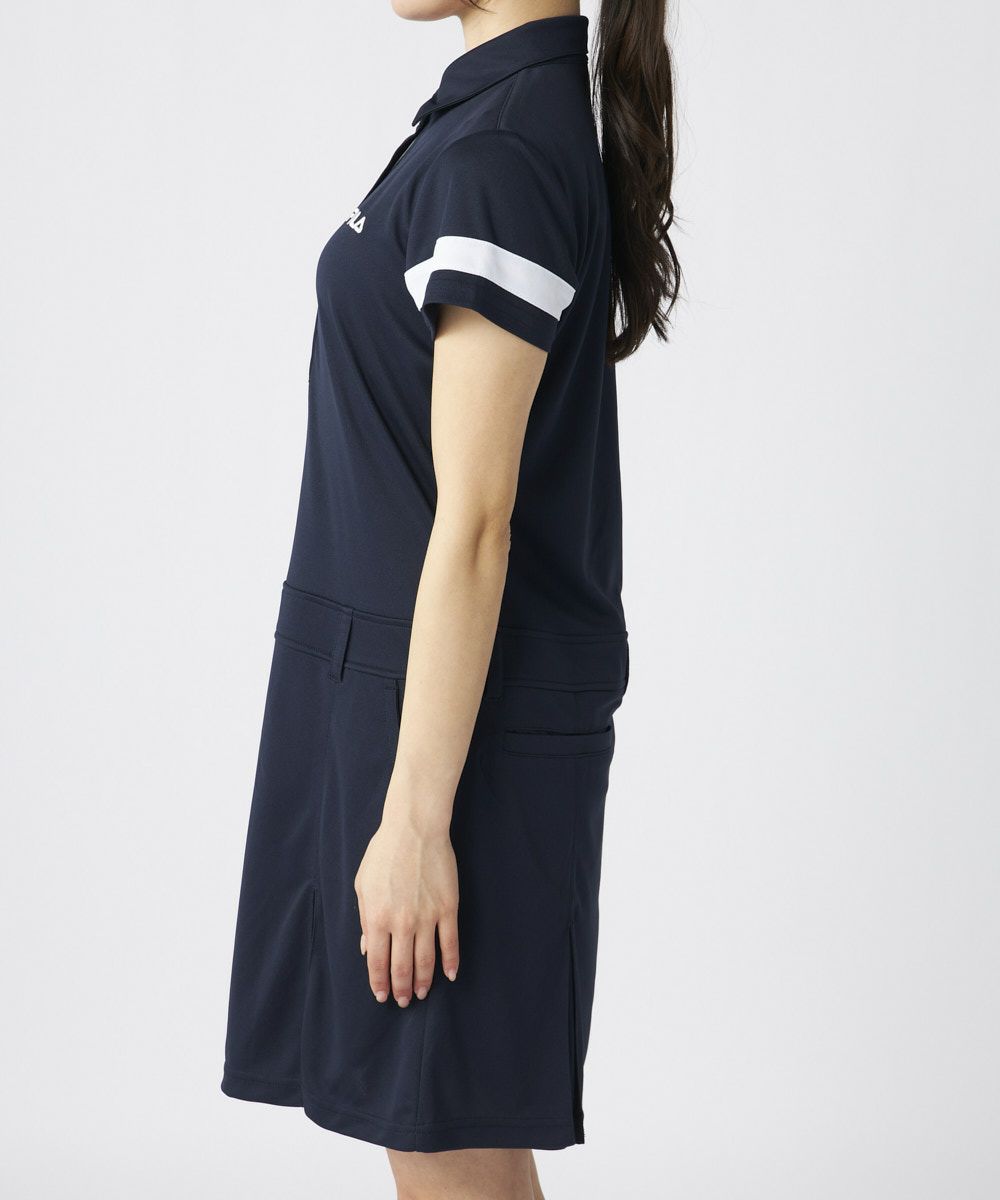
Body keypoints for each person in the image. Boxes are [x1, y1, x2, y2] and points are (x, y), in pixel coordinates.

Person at [221, 1, 679, 1196]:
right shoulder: (486, 123)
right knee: (443, 1145)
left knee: (446, 1152)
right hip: (403, 709)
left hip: (453, 748)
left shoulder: (503, 155)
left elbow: (476, 524)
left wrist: (416, 822)